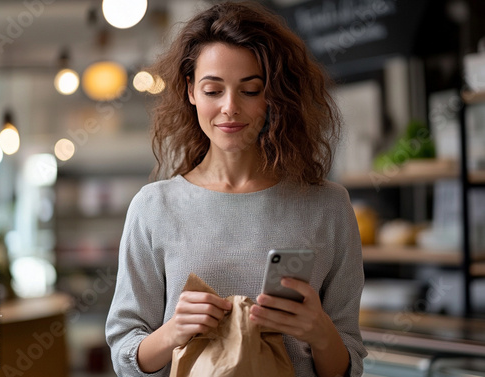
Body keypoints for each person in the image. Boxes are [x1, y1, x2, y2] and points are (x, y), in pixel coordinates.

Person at [105, 2, 367, 377]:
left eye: (250, 90)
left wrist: (320, 333)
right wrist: (172, 332)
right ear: (191, 91)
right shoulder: (153, 207)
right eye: (213, 90)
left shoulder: (328, 206)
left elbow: (349, 366)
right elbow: (125, 356)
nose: (230, 108)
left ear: (274, 96)